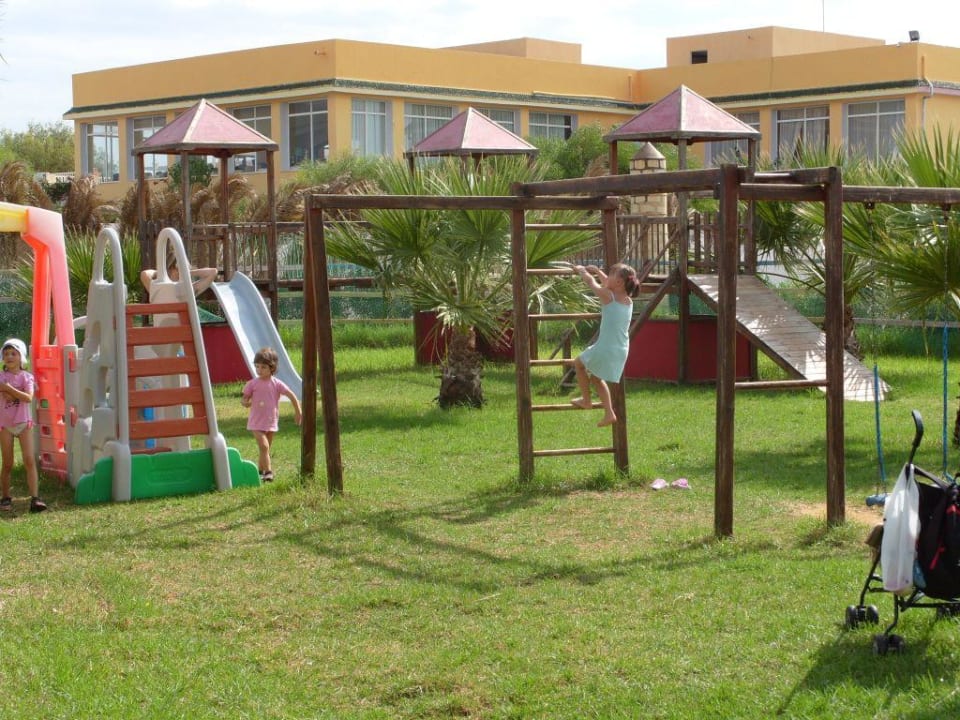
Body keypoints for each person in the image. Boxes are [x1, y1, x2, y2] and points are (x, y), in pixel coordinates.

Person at [570, 263, 640, 427]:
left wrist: (582, 271)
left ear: (619, 282)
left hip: (606, 347)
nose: (607, 277)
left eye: (611, 274)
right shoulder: (628, 300)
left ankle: (586, 400)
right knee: (596, 378)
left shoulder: (609, 297)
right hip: (621, 349)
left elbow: (591, 283)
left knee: (579, 364)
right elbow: (608, 283)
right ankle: (609, 413)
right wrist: (598, 271)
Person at [241, 347, 302, 482]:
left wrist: (298, 411)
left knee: (265, 449)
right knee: (264, 447)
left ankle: (259, 472)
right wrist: (245, 402)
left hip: (271, 422)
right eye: (257, 366)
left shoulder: (277, 384)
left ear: (272, 368)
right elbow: (244, 399)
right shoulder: (252, 384)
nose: (259, 370)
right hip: (256, 422)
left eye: (263, 367)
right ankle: (268, 472)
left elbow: (291, 395)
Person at [0, 339, 46, 512]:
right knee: (7, 463)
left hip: (23, 423)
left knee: (29, 460)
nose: (9, 357)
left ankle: (35, 498)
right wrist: (14, 392)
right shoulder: (1, 376)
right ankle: (5, 498)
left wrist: (9, 389)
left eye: (13, 353)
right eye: (6, 354)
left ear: (21, 357)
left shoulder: (27, 377)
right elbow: (12, 394)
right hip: (5, 425)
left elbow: (28, 397)